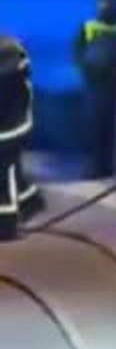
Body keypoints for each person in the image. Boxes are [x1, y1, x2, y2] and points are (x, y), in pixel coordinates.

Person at [73, 0, 116, 179]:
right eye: (101, 2)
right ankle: (101, 166)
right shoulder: (88, 25)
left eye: (107, 1)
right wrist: (87, 71)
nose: (103, 5)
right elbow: (78, 51)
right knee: (99, 126)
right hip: (98, 84)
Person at [1, 35, 44, 241]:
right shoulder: (10, 50)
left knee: (2, 173)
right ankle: (31, 202)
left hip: (8, 127)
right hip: (13, 122)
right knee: (11, 167)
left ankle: (5, 225)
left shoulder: (7, 55)